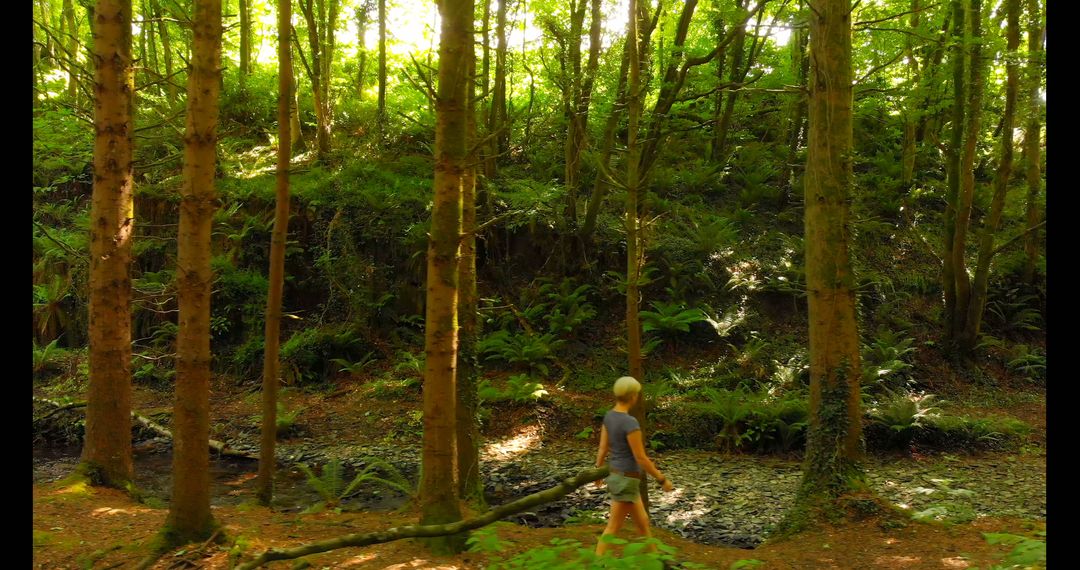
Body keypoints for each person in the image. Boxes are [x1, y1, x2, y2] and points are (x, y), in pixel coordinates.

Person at [593, 376, 674, 556]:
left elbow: (603, 447)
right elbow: (641, 458)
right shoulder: (630, 423)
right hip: (626, 480)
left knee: (643, 523)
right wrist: (662, 479)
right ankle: (597, 563)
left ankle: (656, 562)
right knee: (613, 527)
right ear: (632, 396)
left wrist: (598, 471)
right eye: (637, 394)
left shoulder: (609, 416)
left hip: (617, 476)